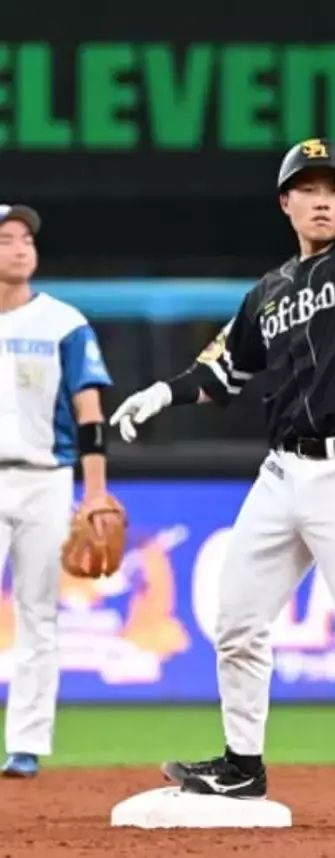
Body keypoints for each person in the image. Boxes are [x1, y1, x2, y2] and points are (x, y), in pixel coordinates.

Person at [110, 35, 335, 832]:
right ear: (285, 203)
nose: (323, 200)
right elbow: (222, 370)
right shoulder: (267, 293)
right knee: (235, 620)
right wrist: (160, 392)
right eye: (307, 189)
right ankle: (241, 766)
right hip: (283, 475)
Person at [0, 204, 113, 777]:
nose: (20, 248)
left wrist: (95, 493)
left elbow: (89, 413)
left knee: (39, 612)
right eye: (6, 239)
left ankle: (24, 745)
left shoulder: (63, 323)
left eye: (26, 239)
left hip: (45, 479)